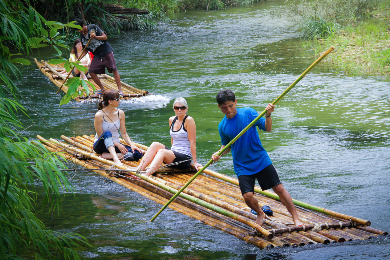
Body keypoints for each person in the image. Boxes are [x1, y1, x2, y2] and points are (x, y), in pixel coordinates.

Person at [211, 89, 303, 227]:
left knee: (278, 188)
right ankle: (260, 213)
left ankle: (296, 218)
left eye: (231, 106)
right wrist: (219, 153)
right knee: (247, 196)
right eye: (224, 107)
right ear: (219, 107)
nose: (228, 110)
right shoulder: (222, 125)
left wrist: (268, 115)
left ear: (235, 102)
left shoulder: (248, 113)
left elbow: (268, 128)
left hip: (260, 159)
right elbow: (227, 146)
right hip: (242, 165)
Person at [136, 97, 202, 176]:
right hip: (174, 155)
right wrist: (169, 154)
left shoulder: (189, 120)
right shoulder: (171, 120)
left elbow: (193, 142)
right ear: (174, 109)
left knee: (161, 151)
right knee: (155, 144)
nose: (179, 110)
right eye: (177, 108)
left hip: (184, 159)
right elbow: (173, 139)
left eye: (182, 108)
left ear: (186, 109)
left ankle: (146, 174)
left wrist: (195, 162)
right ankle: (139, 169)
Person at [93, 90, 143, 166]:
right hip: (101, 145)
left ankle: (108, 156)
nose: (119, 100)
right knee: (107, 132)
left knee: (138, 154)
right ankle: (116, 159)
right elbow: (101, 135)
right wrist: (117, 144)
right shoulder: (99, 115)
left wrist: (132, 145)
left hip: (116, 144)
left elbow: (124, 133)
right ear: (110, 101)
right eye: (117, 99)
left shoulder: (120, 113)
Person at [74, 18, 123, 95]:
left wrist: (96, 37)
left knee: (114, 69)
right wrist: (78, 59)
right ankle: (102, 89)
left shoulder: (93, 27)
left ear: (83, 25)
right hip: (97, 54)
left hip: (106, 50)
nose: (79, 31)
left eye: (80, 29)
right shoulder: (82, 37)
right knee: (92, 72)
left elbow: (105, 37)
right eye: (78, 30)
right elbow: (85, 50)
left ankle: (120, 90)